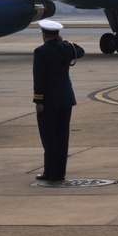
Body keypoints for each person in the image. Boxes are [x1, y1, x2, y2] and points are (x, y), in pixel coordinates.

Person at [32, 19, 85, 182]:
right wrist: (66, 42)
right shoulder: (67, 48)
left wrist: (38, 101)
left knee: (49, 138)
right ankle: (60, 172)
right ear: (58, 34)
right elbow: (81, 51)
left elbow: (39, 79)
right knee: (62, 137)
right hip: (66, 99)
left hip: (48, 101)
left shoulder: (41, 52)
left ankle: (50, 172)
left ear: (44, 34)